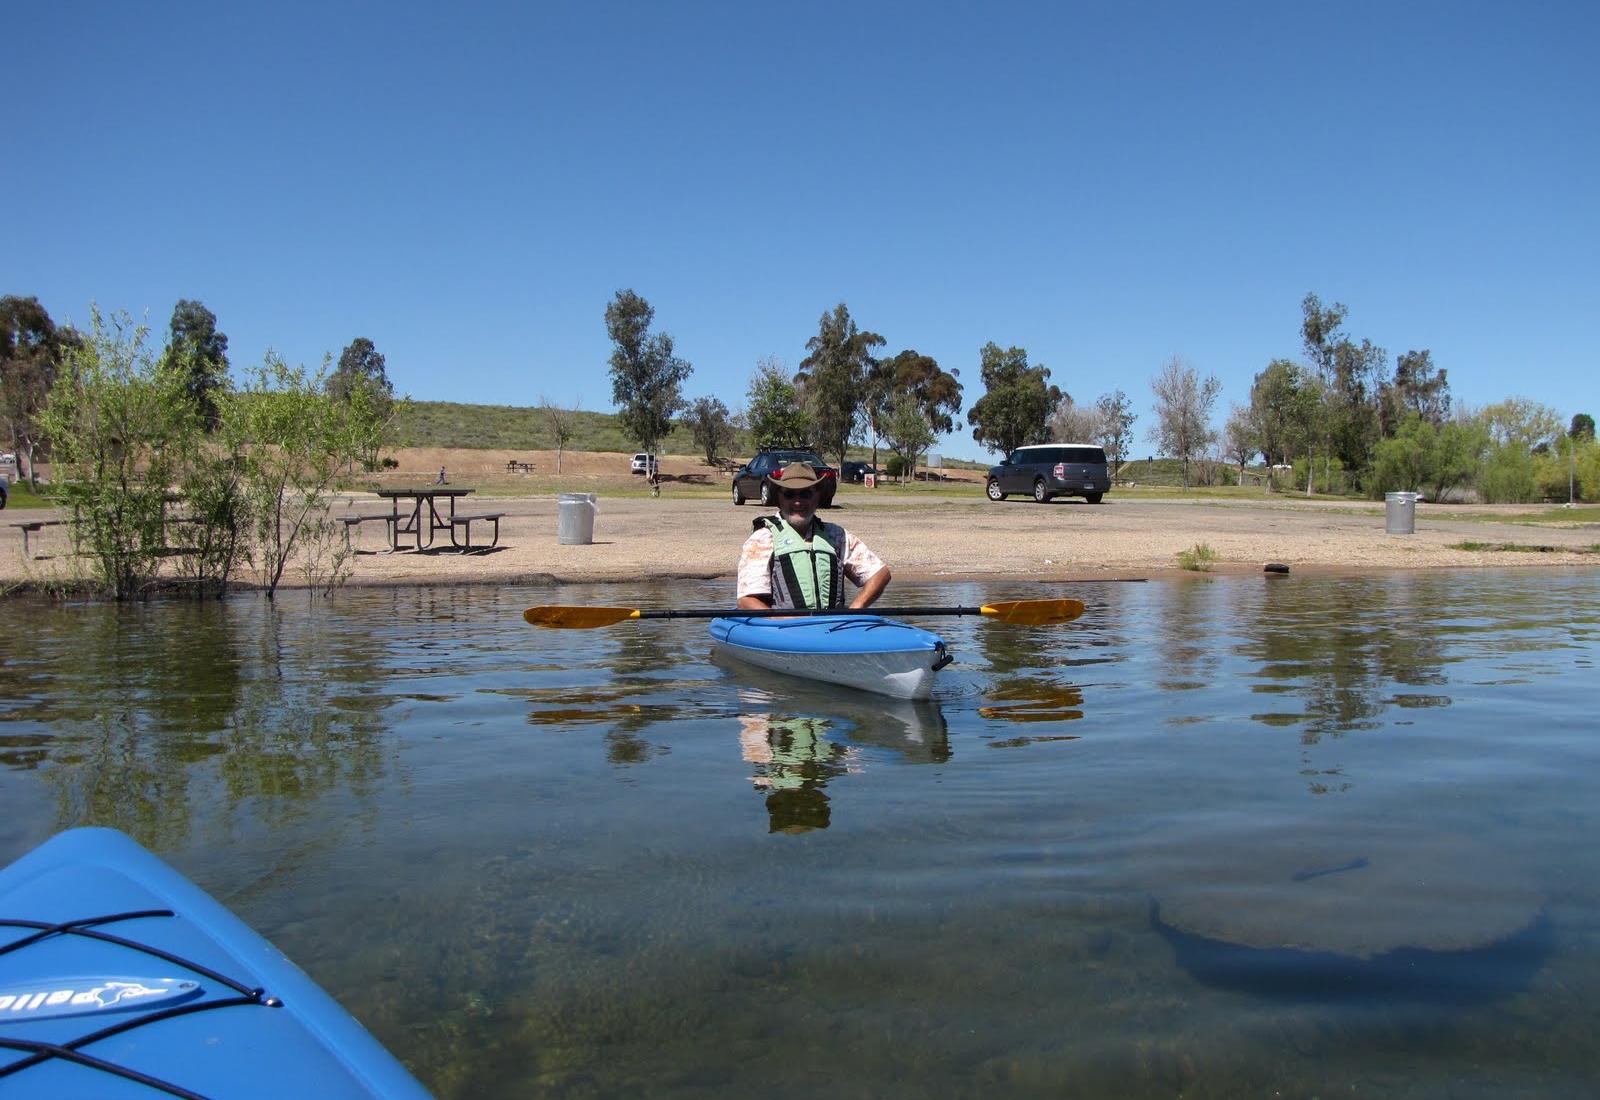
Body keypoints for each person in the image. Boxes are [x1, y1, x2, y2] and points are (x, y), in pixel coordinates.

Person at [737, 462, 890, 611]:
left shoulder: (836, 535)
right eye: (790, 494)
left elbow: (880, 573)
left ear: (817, 497)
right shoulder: (761, 540)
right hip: (784, 631)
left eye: (805, 494)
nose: (798, 502)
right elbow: (746, 601)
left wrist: (855, 610)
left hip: (832, 629)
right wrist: (784, 621)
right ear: (779, 498)